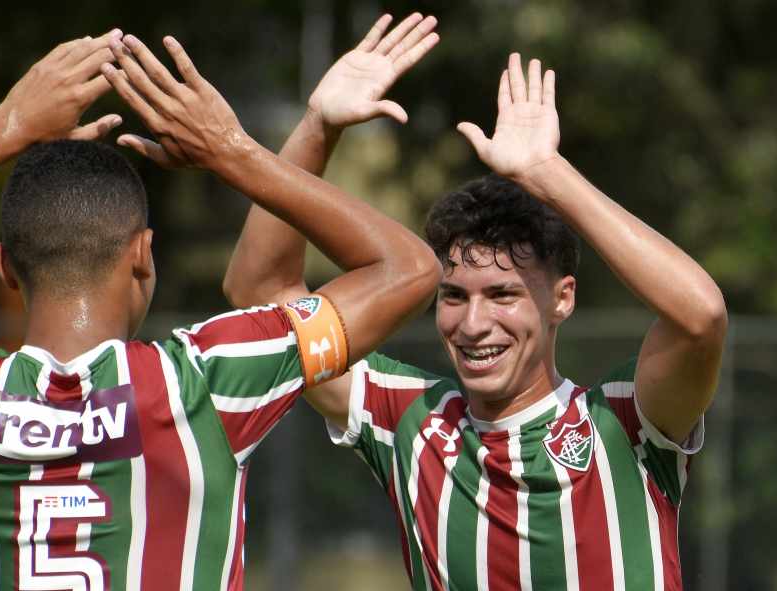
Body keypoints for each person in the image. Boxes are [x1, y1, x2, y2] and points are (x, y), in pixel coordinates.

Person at [0, 23, 441, 591]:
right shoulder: (208, 382)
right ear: (143, 255)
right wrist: (230, 152)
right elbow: (408, 270)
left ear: (5, 266)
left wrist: (0, 131)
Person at [223, 47, 728, 589]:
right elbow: (263, 292)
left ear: (563, 299)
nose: (473, 323)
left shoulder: (627, 423)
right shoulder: (408, 420)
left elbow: (699, 315)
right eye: (454, 296)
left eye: (503, 294)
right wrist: (317, 128)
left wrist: (547, 174)